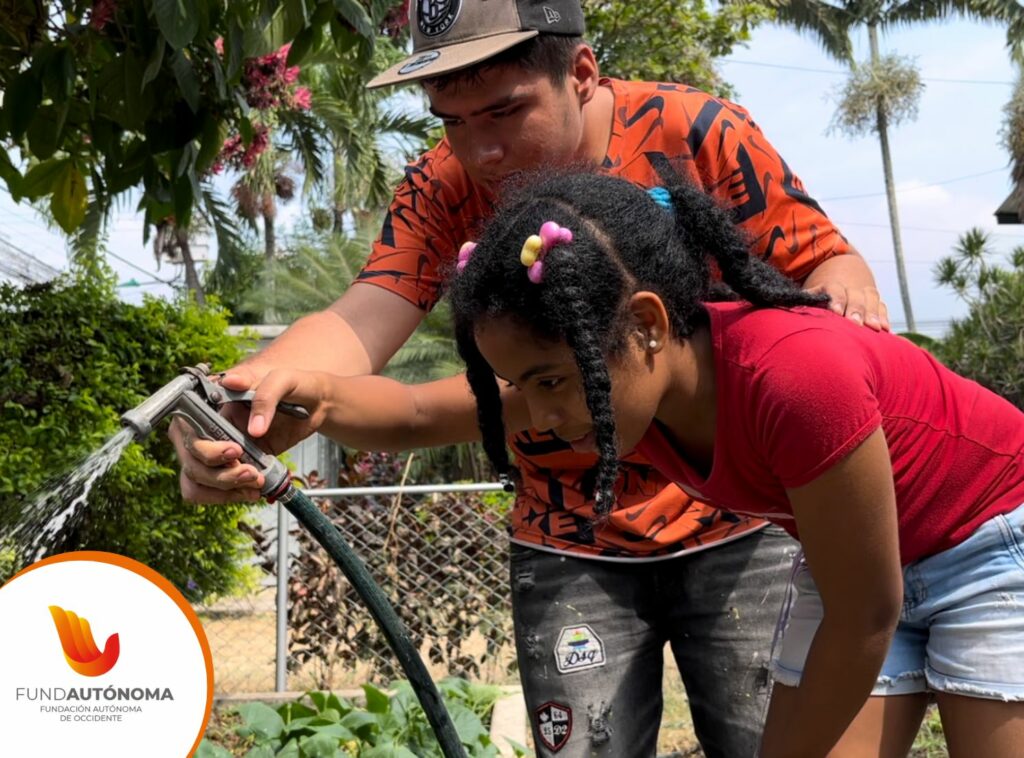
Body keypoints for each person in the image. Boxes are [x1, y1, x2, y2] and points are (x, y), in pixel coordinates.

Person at [172, 2, 889, 755]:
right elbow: (359, 320)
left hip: (739, 518)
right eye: (450, 120)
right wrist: (247, 393)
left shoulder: (697, 133)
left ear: (580, 74)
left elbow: (825, 263)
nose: (480, 150)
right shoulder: (442, 184)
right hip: (567, 540)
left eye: (504, 111)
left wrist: (848, 317)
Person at [436, 170, 1024, 757]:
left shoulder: (794, 380)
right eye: (522, 386)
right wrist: (337, 400)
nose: (538, 416)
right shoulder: (637, 396)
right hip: (856, 566)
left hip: (992, 542)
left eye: (552, 381)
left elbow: (865, 617)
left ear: (647, 325)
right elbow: (418, 412)